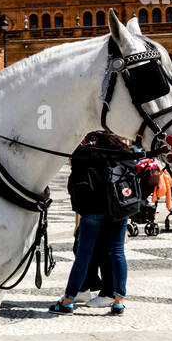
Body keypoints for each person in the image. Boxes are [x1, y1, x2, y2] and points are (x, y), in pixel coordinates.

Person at [51, 131, 136, 316]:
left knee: (83, 255)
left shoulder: (81, 145)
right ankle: (119, 302)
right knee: (117, 252)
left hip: (92, 208)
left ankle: (68, 301)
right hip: (117, 208)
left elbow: (75, 178)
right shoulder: (117, 145)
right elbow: (132, 168)